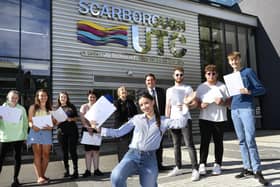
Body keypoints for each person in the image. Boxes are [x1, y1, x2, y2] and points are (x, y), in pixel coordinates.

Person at [91, 92, 190, 187]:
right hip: (132, 155)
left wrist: (184, 110)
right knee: (116, 177)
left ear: (153, 102)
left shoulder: (163, 121)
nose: (144, 107)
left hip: (149, 158)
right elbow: (119, 132)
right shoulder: (136, 118)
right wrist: (100, 130)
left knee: (149, 185)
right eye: (141, 105)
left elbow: (181, 123)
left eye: (146, 103)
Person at [227, 51, 269, 186]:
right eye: (231, 61)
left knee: (250, 139)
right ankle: (247, 168)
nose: (234, 62)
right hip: (234, 109)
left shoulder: (248, 72)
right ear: (229, 62)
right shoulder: (230, 77)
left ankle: (257, 170)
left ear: (239, 59)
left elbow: (262, 89)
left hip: (246, 108)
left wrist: (249, 91)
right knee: (241, 140)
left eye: (236, 60)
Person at [165, 66, 200, 181]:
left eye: (181, 74)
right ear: (173, 76)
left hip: (185, 118)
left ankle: (195, 169)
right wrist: (166, 120)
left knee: (189, 144)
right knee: (176, 145)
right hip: (173, 120)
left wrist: (186, 105)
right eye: (177, 74)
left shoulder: (188, 88)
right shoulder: (169, 90)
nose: (179, 76)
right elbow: (168, 106)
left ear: (183, 76)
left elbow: (195, 104)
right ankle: (178, 167)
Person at [195, 64, 230, 176]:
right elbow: (196, 103)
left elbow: (230, 102)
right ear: (205, 75)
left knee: (218, 143)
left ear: (217, 74)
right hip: (205, 119)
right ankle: (202, 164)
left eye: (213, 73)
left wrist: (223, 103)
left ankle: (217, 165)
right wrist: (201, 105)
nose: (211, 75)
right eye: (208, 73)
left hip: (220, 119)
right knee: (204, 142)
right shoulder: (201, 87)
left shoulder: (223, 86)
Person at [0, 90, 28, 187]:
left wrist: (25, 136)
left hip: (18, 137)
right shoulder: (2, 108)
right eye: (12, 97)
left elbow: (25, 123)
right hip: (5, 137)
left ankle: (15, 179)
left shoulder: (22, 109)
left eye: (16, 98)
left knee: (17, 158)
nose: (14, 99)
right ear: (8, 97)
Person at [27, 89, 53, 184]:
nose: (43, 97)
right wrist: (33, 126)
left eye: (45, 95)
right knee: (37, 155)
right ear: (37, 97)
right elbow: (29, 121)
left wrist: (51, 126)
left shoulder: (50, 108)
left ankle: (42, 175)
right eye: (41, 95)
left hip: (46, 133)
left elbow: (53, 122)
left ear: (47, 97)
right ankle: (39, 177)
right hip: (35, 132)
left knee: (46, 155)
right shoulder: (33, 107)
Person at [145, 73, 167, 171]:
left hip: (160, 120)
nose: (150, 82)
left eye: (151, 80)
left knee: (159, 143)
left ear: (155, 81)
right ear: (146, 82)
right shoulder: (143, 93)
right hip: (148, 121)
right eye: (148, 80)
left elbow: (166, 105)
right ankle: (149, 165)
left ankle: (159, 163)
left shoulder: (161, 91)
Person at [55, 91, 79, 179]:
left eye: (64, 97)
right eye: (61, 97)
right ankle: (67, 170)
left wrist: (71, 119)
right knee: (64, 152)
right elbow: (54, 122)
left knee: (73, 151)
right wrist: (57, 121)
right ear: (59, 98)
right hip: (61, 133)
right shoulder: (56, 108)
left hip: (72, 132)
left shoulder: (71, 106)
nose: (63, 98)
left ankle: (75, 171)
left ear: (67, 98)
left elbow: (77, 118)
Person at [80, 90, 104, 177]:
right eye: (90, 97)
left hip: (96, 130)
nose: (92, 98)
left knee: (96, 151)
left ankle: (97, 170)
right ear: (88, 97)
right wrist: (88, 127)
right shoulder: (84, 107)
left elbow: (101, 119)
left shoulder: (99, 108)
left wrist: (97, 128)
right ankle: (88, 170)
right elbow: (82, 119)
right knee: (88, 152)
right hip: (87, 130)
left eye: (93, 97)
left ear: (96, 98)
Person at [114, 86, 138, 162]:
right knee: (122, 147)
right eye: (122, 90)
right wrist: (126, 121)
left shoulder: (130, 102)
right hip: (121, 127)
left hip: (131, 127)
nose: (124, 91)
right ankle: (122, 165)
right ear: (118, 93)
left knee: (131, 147)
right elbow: (117, 116)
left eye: (125, 90)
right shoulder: (116, 103)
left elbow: (135, 113)